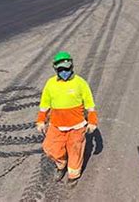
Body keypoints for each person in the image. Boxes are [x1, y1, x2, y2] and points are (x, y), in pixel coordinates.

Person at [36, 51, 98, 186]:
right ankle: (61, 163)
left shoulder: (80, 83)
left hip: (77, 126)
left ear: (71, 67)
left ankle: (73, 175)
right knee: (50, 147)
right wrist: (41, 120)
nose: (64, 71)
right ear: (56, 69)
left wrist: (92, 122)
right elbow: (44, 105)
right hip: (56, 125)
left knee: (75, 150)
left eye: (67, 68)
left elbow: (90, 105)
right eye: (61, 69)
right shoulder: (50, 84)